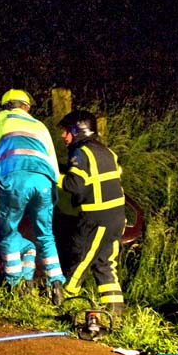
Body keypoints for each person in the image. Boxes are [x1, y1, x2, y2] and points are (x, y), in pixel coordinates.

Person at [0, 89, 66, 303]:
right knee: (46, 235)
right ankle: (56, 285)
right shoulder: (40, 126)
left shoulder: (3, 119)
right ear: (27, 107)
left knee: (9, 232)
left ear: (6, 106)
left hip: (14, 179)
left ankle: (15, 287)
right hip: (43, 181)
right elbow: (53, 164)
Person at [57, 110, 126, 317]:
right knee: (105, 263)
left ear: (78, 131)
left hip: (96, 218)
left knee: (81, 260)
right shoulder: (107, 151)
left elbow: (74, 185)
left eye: (66, 131)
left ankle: (64, 302)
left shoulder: (80, 153)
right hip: (117, 217)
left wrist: (52, 177)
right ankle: (115, 312)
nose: (63, 136)